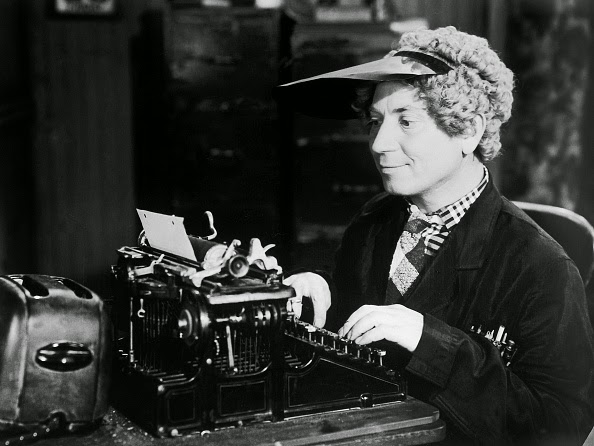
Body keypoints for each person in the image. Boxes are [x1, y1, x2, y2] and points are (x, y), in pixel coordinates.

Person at [278, 26, 594, 445]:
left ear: (468, 131)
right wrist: (317, 290)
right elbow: (353, 318)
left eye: (406, 121)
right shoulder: (374, 220)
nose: (379, 143)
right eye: (375, 121)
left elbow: (561, 425)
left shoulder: (542, 266)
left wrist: (431, 342)